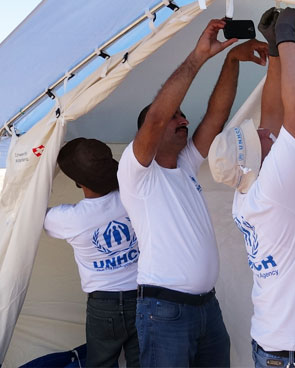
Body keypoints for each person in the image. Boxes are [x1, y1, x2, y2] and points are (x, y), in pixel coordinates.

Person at [116, 17, 267, 366]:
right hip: (165, 310)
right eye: (176, 118)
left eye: (183, 116)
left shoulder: (183, 165)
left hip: (205, 308)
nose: (183, 121)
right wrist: (199, 56)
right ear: (149, 134)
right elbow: (156, 117)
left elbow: (217, 115)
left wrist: (231, 61)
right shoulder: (137, 172)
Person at [208, 7, 295, 368]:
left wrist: (273, 52)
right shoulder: (273, 190)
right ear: (256, 161)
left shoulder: (249, 191)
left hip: (283, 350)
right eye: (261, 140)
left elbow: (272, 115)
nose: (267, 132)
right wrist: (286, 37)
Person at [44, 138, 139, 368]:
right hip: (142, 297)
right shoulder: (134, 198)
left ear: (78, 182)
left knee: (100, 364)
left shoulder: (70, 219)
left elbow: (28, 212)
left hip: (103, 305)